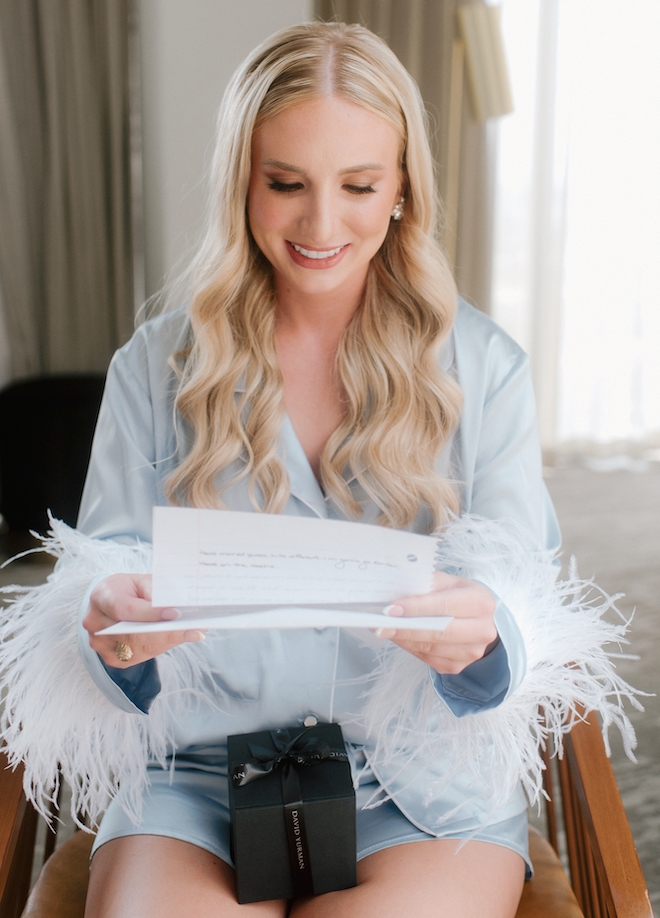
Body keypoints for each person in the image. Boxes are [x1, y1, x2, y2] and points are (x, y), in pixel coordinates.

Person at [0, 20, 636, 918]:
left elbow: (525, 595)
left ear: (404, 188)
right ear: (241, 184)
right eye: (286, 183)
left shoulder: (487, 368)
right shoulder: (151, 366)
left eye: (360, 185)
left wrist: (485, 641)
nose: (321, 224)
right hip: (194, 781)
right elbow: (94, 589)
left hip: (422, 788)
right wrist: (110, 627)